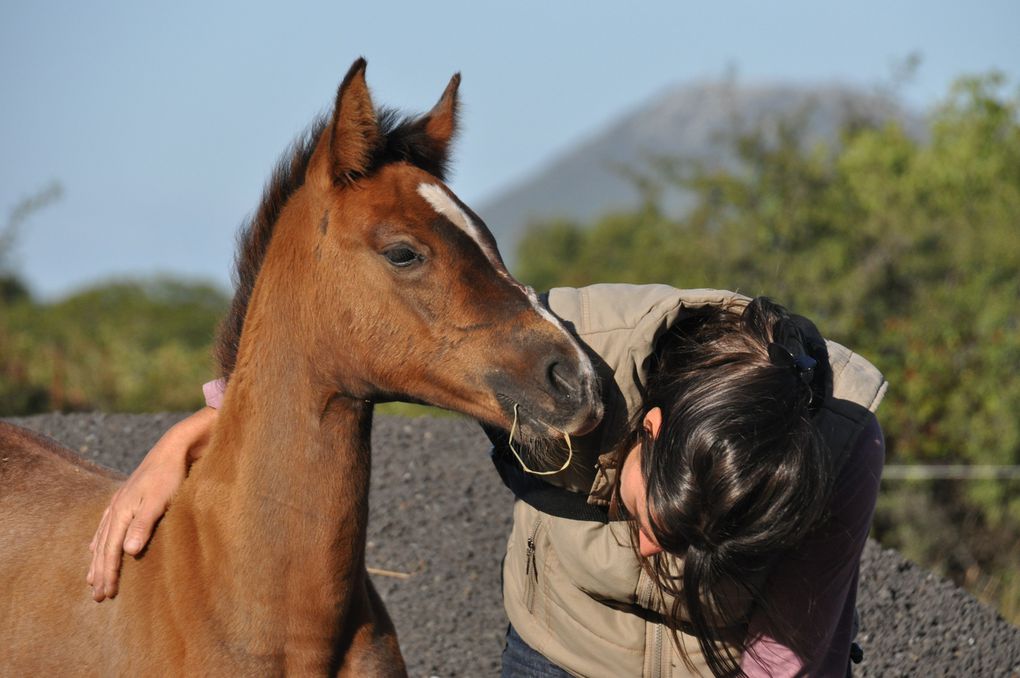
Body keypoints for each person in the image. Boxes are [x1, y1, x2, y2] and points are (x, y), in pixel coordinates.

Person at [87, 284, 886, 677]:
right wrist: (193, 439)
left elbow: (780, 657)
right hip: (560, 647)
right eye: (649, 519)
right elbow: (366, 351)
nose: (649, 550)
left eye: (686, 541)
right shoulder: (561, 360)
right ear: (650, 427)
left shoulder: (837, 453)